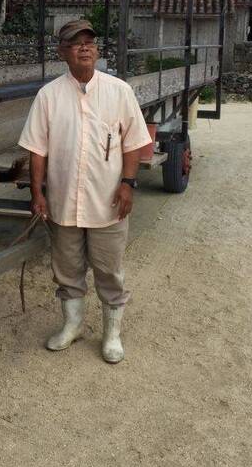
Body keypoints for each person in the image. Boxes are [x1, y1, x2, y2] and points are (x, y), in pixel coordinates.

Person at [18, 19, 152, 362]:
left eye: (89, 42)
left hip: (108, 201)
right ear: (63, 51)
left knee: (108, 269)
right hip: (63, 202)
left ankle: (111, 335)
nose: (84, 48)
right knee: (66, 268)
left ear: (96, 49)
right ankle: (73, 326)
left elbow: (134, 143)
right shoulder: (49, 96)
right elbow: (37, 149)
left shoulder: (118, 91)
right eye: (76, 43)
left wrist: (128, 184)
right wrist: (37, 193)